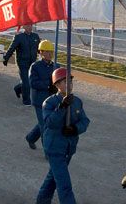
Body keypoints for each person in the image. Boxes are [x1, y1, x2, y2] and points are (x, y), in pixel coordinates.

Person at [36, 67, 89, 204]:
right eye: (65, 81)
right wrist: (62, 107)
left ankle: (42, 200)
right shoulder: (49, 103)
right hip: (54, 148)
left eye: (70, 81)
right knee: (64, 183)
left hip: (69, 148)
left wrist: (75, 129)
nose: (69, 84)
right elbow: (50, 123)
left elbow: (85, 121)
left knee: (53, 177)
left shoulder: (77, 101)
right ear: (57, 85)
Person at [26, 40, 58, 150]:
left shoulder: (56, 66)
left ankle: (30, 138)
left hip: (51, 101)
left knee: (44, 122)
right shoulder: (35, 66)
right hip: (39, 101)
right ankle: (48, 152)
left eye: (51, 52)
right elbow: (33, 83)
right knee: (45, 126)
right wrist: (48, 85)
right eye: (47, 52)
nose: (50, 54)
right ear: (41, 52)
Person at [5, 25, 41, 106]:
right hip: (22, 63)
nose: (30, 27)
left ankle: (18, 88)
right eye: (28, 26)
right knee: (26, 82)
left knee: (29, 81)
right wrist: (6, 58)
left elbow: (39, 50)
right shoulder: (19, 37)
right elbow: (12, 48)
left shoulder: (35, 36)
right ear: (24, 27)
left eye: (31, 25)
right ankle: (26, 101)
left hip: (32, 63)